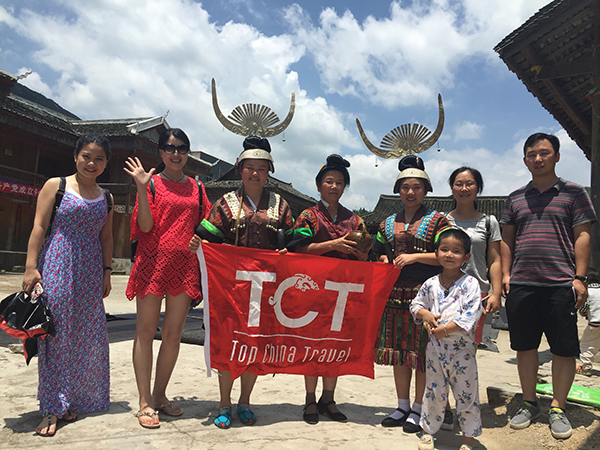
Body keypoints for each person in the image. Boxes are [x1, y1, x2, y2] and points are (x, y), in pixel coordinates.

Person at [190, 135, 294, 429]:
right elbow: (206, 236)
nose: (255, 173)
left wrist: (288, 252)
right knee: (228, 345)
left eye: (262, 168)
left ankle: (245, 401)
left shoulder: (281, 205)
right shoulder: (225, 203)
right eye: (250, 167)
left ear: (269, 172)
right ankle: (224, 402)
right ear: (240, 168)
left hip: (265, 290)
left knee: (255, 346)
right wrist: (198, 244)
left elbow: (294, 242)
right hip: (230, 289)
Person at [500, 132, 597, 440]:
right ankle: (530, 403)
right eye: (532, 154)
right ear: (525, 159)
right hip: (523, 282)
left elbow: (583, 235)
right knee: (525, 346)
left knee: (563, 349)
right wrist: (505, 275)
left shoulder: (574, 192)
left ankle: (558, 407)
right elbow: (506, 240)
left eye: (544, 153)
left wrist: (579, 277)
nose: (538, 159)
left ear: (556, 156)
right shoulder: (515, 198)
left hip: (560, 282)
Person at [22, 134, 114, 437]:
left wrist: (107, 272)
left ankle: (71, 399)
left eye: (99, 158)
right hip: (58, 264)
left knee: (85, 337)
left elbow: (107, 237)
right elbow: (39, 225)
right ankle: (51, 405)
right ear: (76, 156)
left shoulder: (107, 196)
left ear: (105, 163)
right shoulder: (56, 186)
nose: (92, 163)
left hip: (90, 270)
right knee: (56, 335)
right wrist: (31, 267)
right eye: (87, 156)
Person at [125, 128, 211, 429]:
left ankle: (160, 395)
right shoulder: (151, 184)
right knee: (145, 332)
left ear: (188, 152)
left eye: (182, 148)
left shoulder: (198, 189)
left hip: (185, 266)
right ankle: (145, 401)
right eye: (170, 148)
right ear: (160, 152)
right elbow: (145, 227)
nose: (176, 154)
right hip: (152, 263)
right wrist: (141, 187)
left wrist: (200, 241)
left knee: (173, 334)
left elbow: (207, 227)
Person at [287, 154, 370, 425]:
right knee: (312, 345)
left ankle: (329, 398)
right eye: (328, 182)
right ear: (319, 185)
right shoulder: (308, 216)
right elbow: (298, 249)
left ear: (345, 187)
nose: (334, 187)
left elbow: (365, 256)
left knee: (335, 345)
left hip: (342, 292)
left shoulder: (355, 220)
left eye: (339, 183)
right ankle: (310, 398)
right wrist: (333, 245)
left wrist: (361, 254)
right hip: (312, 290)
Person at [372, 155, 450, 433]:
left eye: (416, 187)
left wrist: (415, 258)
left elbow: (446, 254)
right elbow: (377, 249)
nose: (410, 192)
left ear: (426, 189)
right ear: (398, 190)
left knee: (421, 354)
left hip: (425, 294)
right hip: (394, 294)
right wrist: (382, 258)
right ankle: (402, 405)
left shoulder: (438, 220)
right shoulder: (386, 223)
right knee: (399, 353)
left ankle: (419, 408)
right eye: (405, 187)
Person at [410, 227, 482, 450]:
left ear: (466, 257)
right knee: (433, 392)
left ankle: (468, 439)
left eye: (456, 251)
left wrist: (446, 330)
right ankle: (428, 432)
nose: (449, 255)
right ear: (437, 253)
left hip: (462, 352)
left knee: (466, 394)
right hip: (435, 351)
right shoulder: (430, 283)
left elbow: (471, 314)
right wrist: (425, 314)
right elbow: (415, 304)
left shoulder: (471, 284)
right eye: (444, 250)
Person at [442, 166, 502, 429]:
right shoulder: (441, 221)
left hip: (476, 296)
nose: (463, 188)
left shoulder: (488, 222)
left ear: (478, 188)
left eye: (469, 183)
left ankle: (464, 408)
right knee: (440, 353)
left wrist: (496, 292)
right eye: (458, 183)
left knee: (467, 356)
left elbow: (495, 259)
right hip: (444, 295)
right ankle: (442, 408)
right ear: (451, 187)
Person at [576, 268, 600, 377]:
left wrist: (583, 312)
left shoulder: (588, 292)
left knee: (587, 345)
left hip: (595, 323)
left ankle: (585, 366)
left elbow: (584, 307)